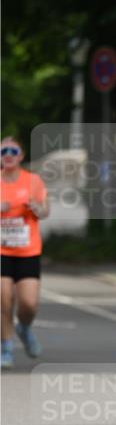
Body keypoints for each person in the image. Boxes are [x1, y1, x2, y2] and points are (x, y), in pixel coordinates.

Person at [1, 136, 49, 369]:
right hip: (1, 251)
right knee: (4, 301)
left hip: (28, 251)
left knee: (28, 304)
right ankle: (6, 348)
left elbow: (45, 210)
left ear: (20, 156)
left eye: (12, 150)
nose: (8, 154)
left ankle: (24, 328)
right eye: (3, 151)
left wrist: (37, 208)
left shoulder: (33, 181)